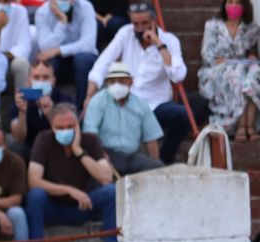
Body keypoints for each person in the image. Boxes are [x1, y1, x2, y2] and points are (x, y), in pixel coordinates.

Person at [88, 2, 191, 164]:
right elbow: (103, 62)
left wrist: (160, 45)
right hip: (127, 103)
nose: (140, 28)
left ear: (154, 22)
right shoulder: (125, 33)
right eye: (136, 24)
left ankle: (162, 162)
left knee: (182, 116)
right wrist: (90, 94)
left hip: (156, 105)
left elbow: (178, 76)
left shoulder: (169, 41)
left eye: (144, 23)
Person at [24, 103, 116, 242]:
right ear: (52, 127)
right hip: (54, 206)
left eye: (71, 126)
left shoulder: (90, 140)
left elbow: (106, 177)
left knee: (111, 192)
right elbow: (34, 181)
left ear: (78, 126)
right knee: (35, 196)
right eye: (60, 127)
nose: (66, 131)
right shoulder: (43, 139)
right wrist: (69, 190)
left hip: (85, 205)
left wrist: (78, 150)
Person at [197, 0, 260, 141]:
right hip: (217, 69)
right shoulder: (212, 26)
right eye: (230, 2)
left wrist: (252, 56)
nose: (233, 6)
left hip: (242, 66)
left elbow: (251, 52)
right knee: (236, 75)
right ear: (224, 5)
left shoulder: (251, 29)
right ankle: (241, 125)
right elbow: (206, 53)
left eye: (237, 3)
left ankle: (250, 125)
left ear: (244, 7)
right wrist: (218, 60)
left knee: (255, 74)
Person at [81, 61, 163, 175]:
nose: (117, 85)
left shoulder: (141, 104)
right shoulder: (97, 101)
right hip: (107, 154)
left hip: (132, 156)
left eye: (121, 81)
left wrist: (156, 166)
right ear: (106, 83)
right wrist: (101, 157)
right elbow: (90, 135)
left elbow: (151, 138)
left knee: (156, 167)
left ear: (130, 82)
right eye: (112, 81)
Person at [9, 56, 71, 159]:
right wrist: (22, 112)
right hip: (30, 148)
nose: (41, 81)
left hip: (57, 147)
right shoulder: (22, 99)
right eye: (36, 77)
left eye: (45, 77)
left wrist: (51, 114)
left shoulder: (64, 100)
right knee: (17, 148)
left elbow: (68, 136)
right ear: (29, 81)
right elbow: (19, 138)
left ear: (53, 81)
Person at [33, 0, 99, 93]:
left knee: (82, 59)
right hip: (59, 62)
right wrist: (62, 22)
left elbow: (88, 44)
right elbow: (45, 48)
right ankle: (47, 104)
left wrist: (58, 50)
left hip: (82, 60)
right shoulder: (42, 12)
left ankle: (82, 106)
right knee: (48, 63)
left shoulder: (85, 7)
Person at [0, 0, 35, 95]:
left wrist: (2, 57)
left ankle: (23, 105)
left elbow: (24, 47)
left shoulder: (20, 11)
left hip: (10, 63)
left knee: (22, 63)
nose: (2, 5)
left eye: (5, 1)